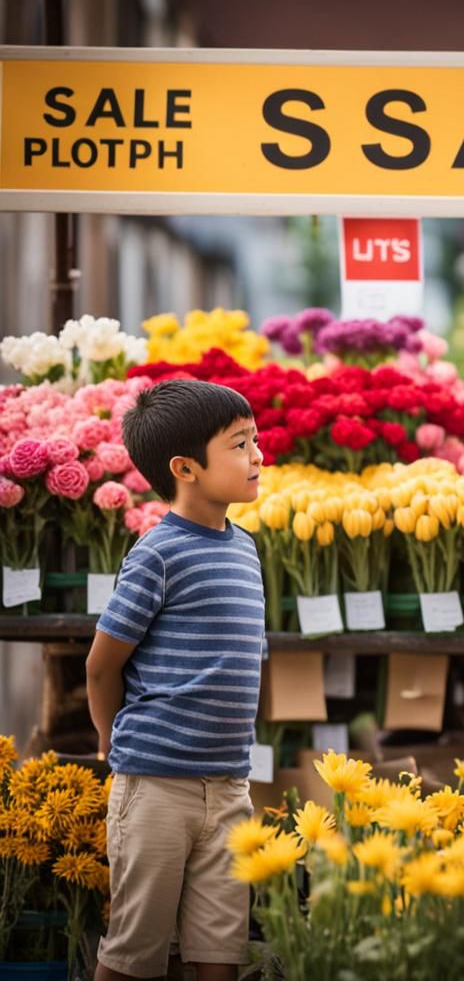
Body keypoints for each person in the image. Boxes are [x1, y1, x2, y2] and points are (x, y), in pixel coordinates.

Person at [86, 379, 265, 981]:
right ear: (185, 468)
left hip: (230, 784)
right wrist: (113, 742)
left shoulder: (246, 549)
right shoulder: (157, 553)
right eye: (240, 445)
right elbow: (102, 664)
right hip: (157, 787)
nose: (258, 456)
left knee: (221, 953)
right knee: (136, 953)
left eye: (256, 440)